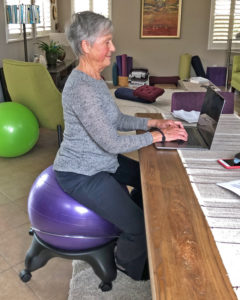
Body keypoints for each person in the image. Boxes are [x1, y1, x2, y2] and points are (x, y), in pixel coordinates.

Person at [53, 11, 188, 281]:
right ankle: (130, 264)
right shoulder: (80, 88)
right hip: (81, 174)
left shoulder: (96, 79)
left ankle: (133, 218)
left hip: (103, 162)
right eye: (107, 41)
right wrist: (158, 138)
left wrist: (154, 125)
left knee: (149, 180)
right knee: (136, 227)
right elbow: (112, 142)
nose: (113, 48)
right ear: (86, 46)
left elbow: (116, 119)